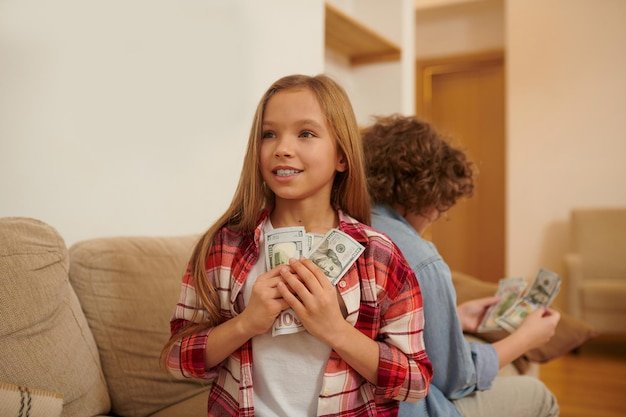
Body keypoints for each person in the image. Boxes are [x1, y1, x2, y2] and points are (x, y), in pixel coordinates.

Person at [161, 76, 433, 417]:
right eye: (269, 134)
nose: (282, 148)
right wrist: (247, 323)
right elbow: (176, 360)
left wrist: (334, 329)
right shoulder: (224, 247)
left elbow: (416, 382)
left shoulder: (378, 255)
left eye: (305, 133)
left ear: (342, 157)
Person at [361, 114, 560, 417]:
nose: (436, 218)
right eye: (441, 208)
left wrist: (454, 316)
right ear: (426, 192)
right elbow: (455, 380)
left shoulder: (350, 224)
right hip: (404, 407)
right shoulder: (421, 259)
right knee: (539, 395)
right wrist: (526, 339)